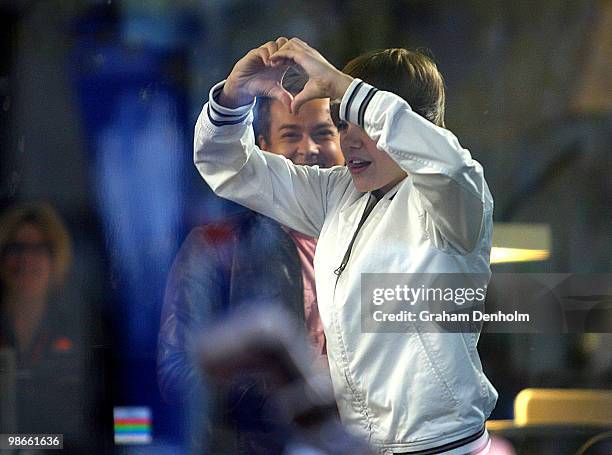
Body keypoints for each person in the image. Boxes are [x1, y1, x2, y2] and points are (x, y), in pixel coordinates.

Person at [193, 37, 498, 454]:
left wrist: (343, 87)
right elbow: (227, 165)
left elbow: (448, 165)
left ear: (414, 124)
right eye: (342, 122)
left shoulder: (456, 199)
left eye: (363, 121)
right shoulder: (337, 195)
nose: (348, 140)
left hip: (445, 447)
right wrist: (233, 96)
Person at [157, 69, 343, 454]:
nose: (308, 149)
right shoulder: (216, 248)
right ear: (263, 148)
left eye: (323, 133)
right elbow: (178, 369)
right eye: (290, 134)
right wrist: (278, 384)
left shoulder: (373, 239)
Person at [0, 202, 87, 450]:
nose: (26, 258)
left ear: (56, 259)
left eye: (39, 248)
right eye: (16, 248)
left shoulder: (84, 333)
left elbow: (129, 425)